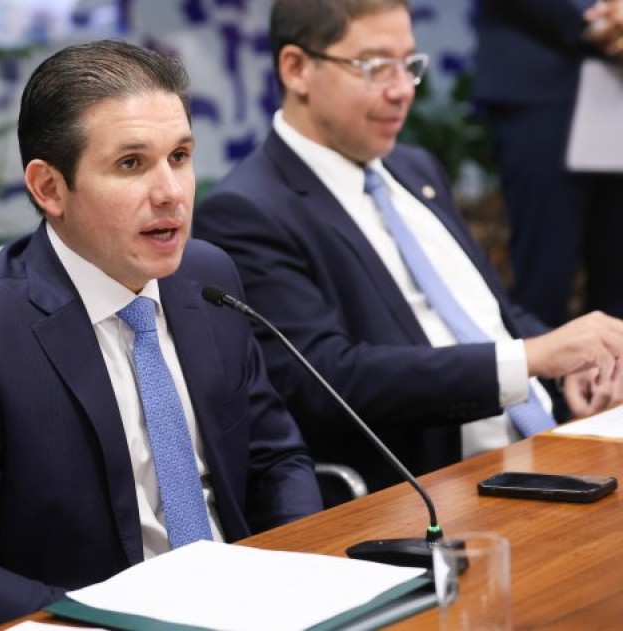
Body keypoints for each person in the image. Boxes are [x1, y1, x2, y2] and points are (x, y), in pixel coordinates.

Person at [0, 39, 322, 630]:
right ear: (49, 188)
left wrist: (295, 571)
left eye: (180, 156)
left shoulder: (208, 280)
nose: (171, 192)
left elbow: (276, 459)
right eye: (131, 164)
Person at [193, 0, 623, 496]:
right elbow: (329, 379)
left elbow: (487, 314)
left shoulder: (415, 168)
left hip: (553, 446)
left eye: (409, 65)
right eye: (376, 66)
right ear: (296, 69)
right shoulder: (248, 211)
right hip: (440, 488)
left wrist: (577, 364)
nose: (402, 90)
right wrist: (528, 358)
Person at [474, 0, 623, 328]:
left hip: (616, 85)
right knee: (545, 271)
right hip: (540, 73)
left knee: (617, 277)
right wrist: (601, 16)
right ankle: (537, 361)